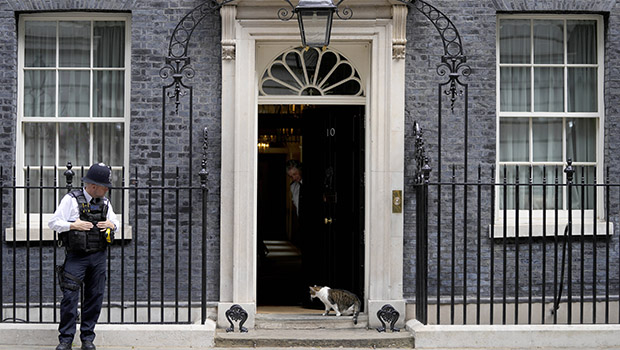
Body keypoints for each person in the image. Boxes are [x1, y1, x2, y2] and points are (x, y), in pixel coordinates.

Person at [49, 163, 119, 350]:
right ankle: (65, 340)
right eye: (105, 186)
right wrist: (73, 226)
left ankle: (87, 339)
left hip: (98, 257)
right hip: (76, 257)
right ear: (94, 186)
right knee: (70, 298)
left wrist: (112, 225)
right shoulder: (70, 200)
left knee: (94, 298)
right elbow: (54, 222)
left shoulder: (105, 203)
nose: (107, 190)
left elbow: (116, 222)